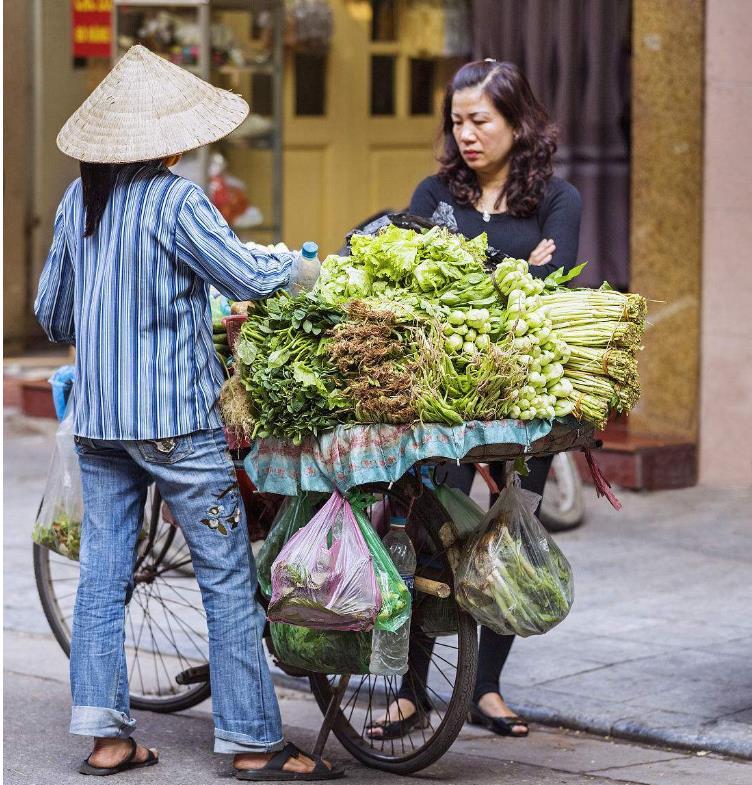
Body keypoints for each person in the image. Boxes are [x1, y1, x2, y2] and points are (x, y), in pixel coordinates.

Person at [34, 45, 340, 781]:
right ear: (165, 139)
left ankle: (107, 737)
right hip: (175, 423)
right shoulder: (176, 201)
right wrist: (303, 269)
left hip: (101, 425)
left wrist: (106, 317)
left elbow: (51, 312)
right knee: (226, 576)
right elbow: (245, 274)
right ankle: (254, 743)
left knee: (104, 576)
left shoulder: (82, 201)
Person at [367, 59, 581, 740]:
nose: (466, 134)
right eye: (457, 121)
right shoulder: (434, 192)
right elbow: (418, 283)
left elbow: (555, 288)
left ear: (518, 123)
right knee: (432, 532)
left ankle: (486, 686)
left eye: (480, 120)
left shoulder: (558, 199)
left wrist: (474, 260)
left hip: (527, 395)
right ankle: (410, 689)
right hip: (445, 396)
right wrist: (515, 266)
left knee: (507, 537)